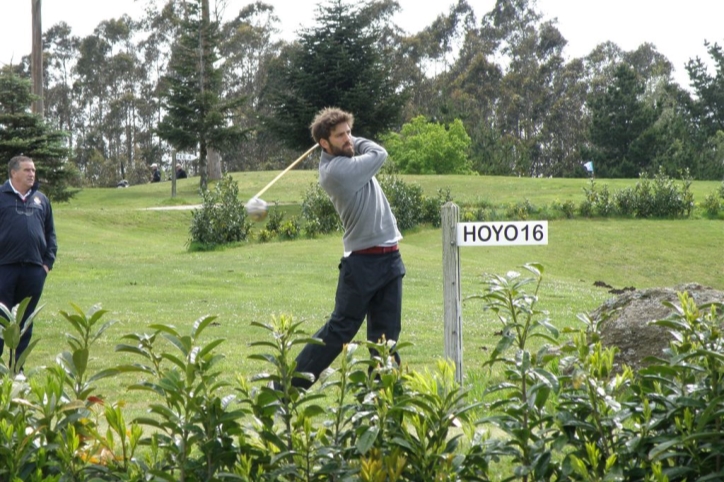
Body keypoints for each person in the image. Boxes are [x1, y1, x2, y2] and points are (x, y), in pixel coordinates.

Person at [292, 107, 405, 390]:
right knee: (339, 331)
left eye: (349, 132)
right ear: (324, 143)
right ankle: (288, 386)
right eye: (340, 135)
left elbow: (366, 151)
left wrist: (348, 139)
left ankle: (383, 400)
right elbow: (380, 153)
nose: (348, 139)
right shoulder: (336, 171)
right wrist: (356, 142)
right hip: (362, 264)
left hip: (390, 257)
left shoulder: (348, 156)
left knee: (385, 339)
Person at [0, 155, 57, 365]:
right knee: (0, 318)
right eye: (27, 170)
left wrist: (46, 265)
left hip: (34, 271)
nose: (32, 174)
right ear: (13, 173)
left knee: (25, 322)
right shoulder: (1, 196)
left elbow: (51, 234)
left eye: (33, 170)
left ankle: (17, 368)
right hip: (4, 269)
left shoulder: (41, 200)